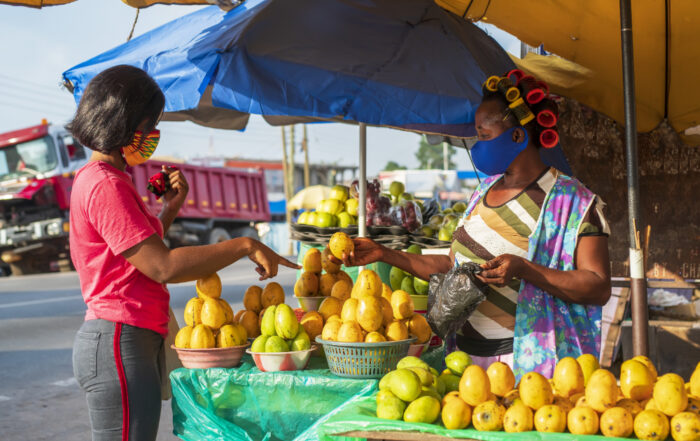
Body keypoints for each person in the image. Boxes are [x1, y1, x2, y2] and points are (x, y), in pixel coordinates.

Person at [68, 65, 299, 441]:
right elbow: (162, 267)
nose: (151, 135)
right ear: (123, 121)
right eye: (148, 124)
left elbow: (139, 256)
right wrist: (244, 244)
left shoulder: (110, 180)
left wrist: (169, 210)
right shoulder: (103, 184)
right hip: (117, 339)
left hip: (129, 338)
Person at [335, 72, 611, 379]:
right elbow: (453, 266)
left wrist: (525, 269)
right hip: (464, 361)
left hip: (526, 366)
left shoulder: (574, 202)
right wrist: (384, 253)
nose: (476, 145)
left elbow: (598, 287)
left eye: (484, 136)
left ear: (517, 136)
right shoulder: (483, 192)